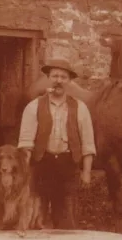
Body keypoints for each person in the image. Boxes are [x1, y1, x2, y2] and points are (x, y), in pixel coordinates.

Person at [17, 58, 96, 229]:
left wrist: (87, 173)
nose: (58, 80)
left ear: (69, 82)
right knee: (37, 219)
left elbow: (88, 144)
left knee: (67, 221)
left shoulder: (80, 108)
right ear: (48, 79)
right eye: (54, 76)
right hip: (42, 165)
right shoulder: (33, 106)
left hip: (68, 167)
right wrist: (25, 172)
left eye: (63, 77)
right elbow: (25, 144)